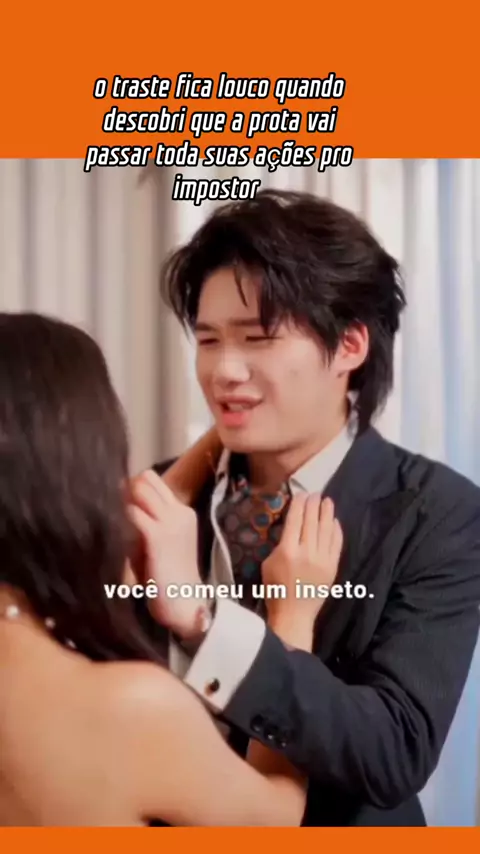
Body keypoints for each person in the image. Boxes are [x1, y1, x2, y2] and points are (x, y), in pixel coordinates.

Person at [142, 189, 480, 827]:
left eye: (259, 338)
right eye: (209, 339)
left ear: (350, 346)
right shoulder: (162, 496)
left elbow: (395, 751)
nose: (224, 371)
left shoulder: (436, 512)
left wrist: (206, 625)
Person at [0, 311, 343, 827]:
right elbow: (277, 821)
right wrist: (292, 619)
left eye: (257, 338)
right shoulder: (132, 711)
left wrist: (218, 441)